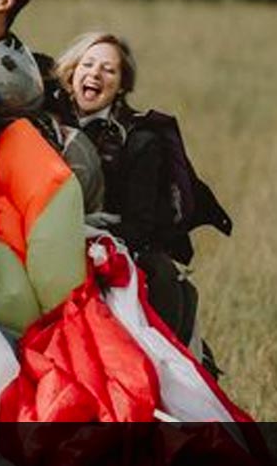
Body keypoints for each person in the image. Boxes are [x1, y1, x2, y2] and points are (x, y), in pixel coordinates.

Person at [54, 32, 226, 365]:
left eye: (109, 70)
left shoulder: (140, 141)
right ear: (72, 70)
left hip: (113, 253)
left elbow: (141, 224)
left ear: (121, 85)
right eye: (88, 64)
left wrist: (90, 234)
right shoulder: (43, 119)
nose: (95, 74)